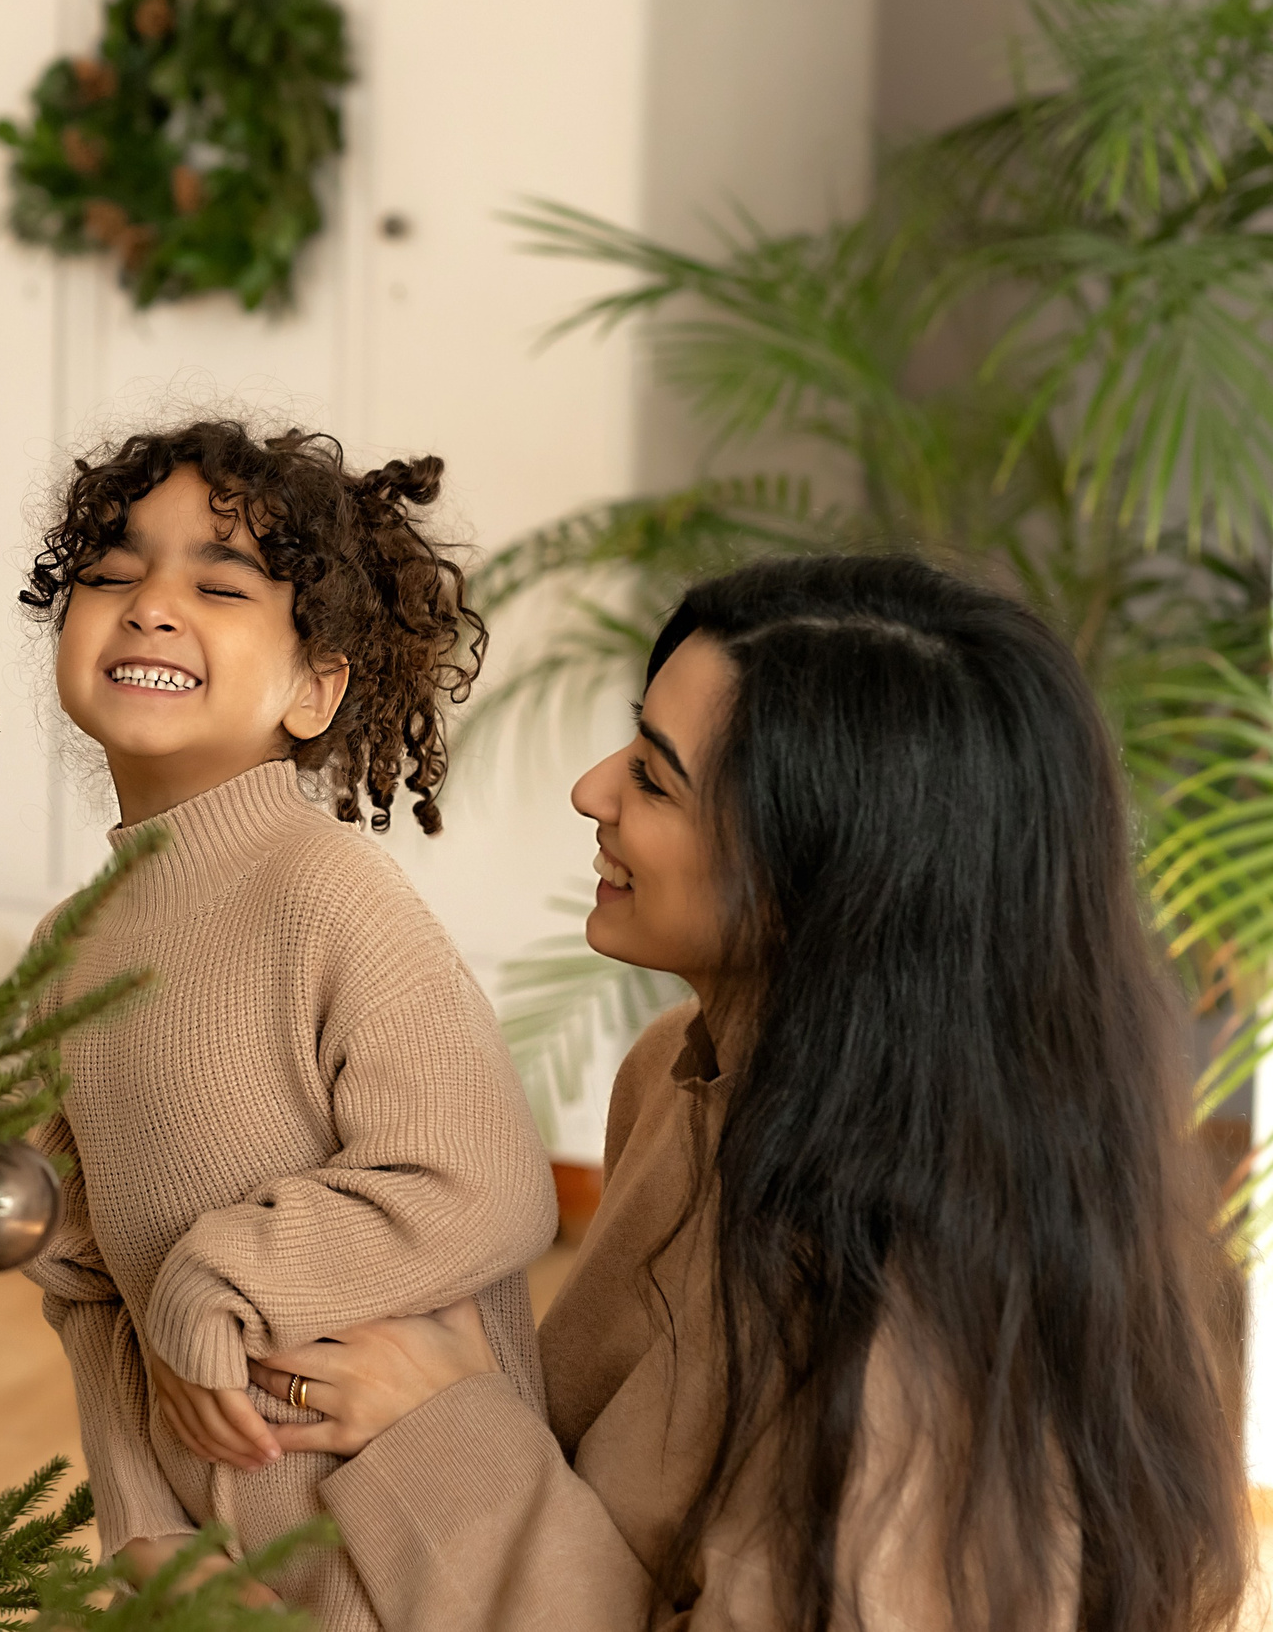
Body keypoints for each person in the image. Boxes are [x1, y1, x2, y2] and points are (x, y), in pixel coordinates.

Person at [221, 555, 1247, 1632]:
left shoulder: (918, 1331)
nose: (591, 791)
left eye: (654, 779)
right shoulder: (677, 1073)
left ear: (828, 881)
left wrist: (446, 1430)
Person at [15, 422, 557, 1630]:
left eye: (217, 585)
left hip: (417, 1563)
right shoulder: (67, 944)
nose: (151, 606)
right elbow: (84, 1281)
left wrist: (218, 1278)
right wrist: (142, 1525)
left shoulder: (327, 891)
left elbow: (490, 1184)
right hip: (215, 1571)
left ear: (315, 690)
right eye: (111, 573)